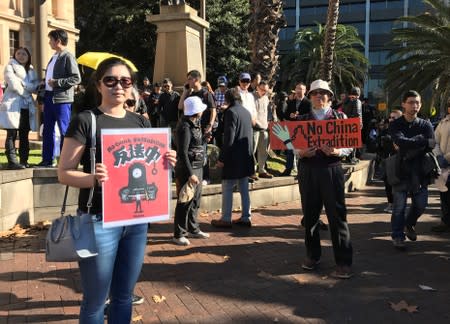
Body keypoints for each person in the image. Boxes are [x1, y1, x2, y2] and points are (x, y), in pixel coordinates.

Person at [57, 57, 176, 322]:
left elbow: (153, 167)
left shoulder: (141, 123)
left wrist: (167, 162)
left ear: (132, 86)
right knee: (96, 301)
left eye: (125, 81)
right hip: (98, 221)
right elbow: (64, 173)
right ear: (99, 84)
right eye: (110, 80)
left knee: (124, 296)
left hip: (135, 222)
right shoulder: (86, 121)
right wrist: (92, 178)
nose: (118, 86)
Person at [284, 79, 354, 279]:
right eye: (315, 93)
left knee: (337, 216)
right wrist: (300, 153)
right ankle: (312, 256)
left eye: (323, 93)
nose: (319, 96)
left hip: (332, 171)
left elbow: (351, 145)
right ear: (310, 97)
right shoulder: (301, 120)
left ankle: (343, 262)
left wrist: (338, 151)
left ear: (330, 97)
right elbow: (288, 143)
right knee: (310, 215)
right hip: (308, 171)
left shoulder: (340, 118)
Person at [389, 90, 435, 249]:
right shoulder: (396, 124)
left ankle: (409, 224)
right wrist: (420, 140)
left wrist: (410, 143)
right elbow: (399, 140)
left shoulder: (426, 124)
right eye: (411, 102)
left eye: (417, 102)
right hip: (401, 170)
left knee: (421, 205)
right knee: (399, 207)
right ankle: (397, 236)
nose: (414, 106)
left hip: (421, 171)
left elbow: (431, 144)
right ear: (403, 104)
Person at [211, 89, 254, 228]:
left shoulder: (231, 112)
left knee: (228, 187)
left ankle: (226, 218)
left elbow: (229, 137)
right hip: (245, 155)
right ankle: (246, 216)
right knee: (244, 187)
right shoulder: (246, 112)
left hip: (233, 157)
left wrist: (222, 158)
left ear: (227, 100)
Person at [38, 29, 81, 167]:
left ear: (58, 41)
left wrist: (57, 82)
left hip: (62, 100)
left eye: (51, 39)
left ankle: (65, 162)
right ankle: (47, 160)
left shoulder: (68, 56)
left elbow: (76, 78)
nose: (49, 42)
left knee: (64, 131)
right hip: (49, 97)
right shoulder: (54, 57)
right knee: (47, 130)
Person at [173, 96, 210, 245]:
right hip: (188, 169)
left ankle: (193, 229)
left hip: (198, 166)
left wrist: (205, 139)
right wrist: (190, 174)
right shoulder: (184, 127)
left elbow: (196, 144)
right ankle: (179, 233)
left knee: (195, 200)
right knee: (185, 201)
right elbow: (182, 152)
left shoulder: (195, 124)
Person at [1, 47, 39, 169]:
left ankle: (24, 161)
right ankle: (12, 161)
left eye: (24, 54)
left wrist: (24, 84)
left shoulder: (31, 71)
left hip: (26, 107)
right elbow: (13, 84)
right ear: (14, 55)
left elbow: (35, 86)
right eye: (19, 53)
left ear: (28, 57)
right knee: (11, 133)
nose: (21, 56)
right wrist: (27, 90)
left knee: (24, 134)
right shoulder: (9, 67)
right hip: (12, 105)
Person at [282, 82, 311, 176]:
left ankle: (301, 171)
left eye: (301, 89)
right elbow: (285, 114)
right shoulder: (291, 102)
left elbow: (311, 116)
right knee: (290, 150)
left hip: (303, 131)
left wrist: (299, 116)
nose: (299, 91)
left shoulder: (309, 102)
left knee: (301, 151)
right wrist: (290, 115)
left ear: (305, 91)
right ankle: (288, 169)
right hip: (292, 129)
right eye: (298, 89)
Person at [376, 110, 403, 213]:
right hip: (387, 161)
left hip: (400, 161)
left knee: (399, 185)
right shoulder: (384, 131)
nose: (391, 120)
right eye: (390, 117)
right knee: (388, 184)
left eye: (394, 118)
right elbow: (377, 146)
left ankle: (399, 205)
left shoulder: (403, 130)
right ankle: (390, 204)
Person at [431, 98, 450, 233]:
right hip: (443, 166)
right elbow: (435, 140)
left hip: (446, 161)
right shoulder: (443, 123)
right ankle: (445, 221)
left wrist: (446, 157)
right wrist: (438, 156)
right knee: (444, 195)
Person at [253, 80, 273, 178]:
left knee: (263, 151)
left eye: (266, 90)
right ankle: (251, 171)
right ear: (257, 88)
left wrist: (269, 122)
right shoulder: (251, 97)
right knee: (252, 151)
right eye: (262, 90)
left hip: (264, 127)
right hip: (254, 127)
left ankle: (262, 170)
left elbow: (268, 112)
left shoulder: (266, 98)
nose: (264, 92)